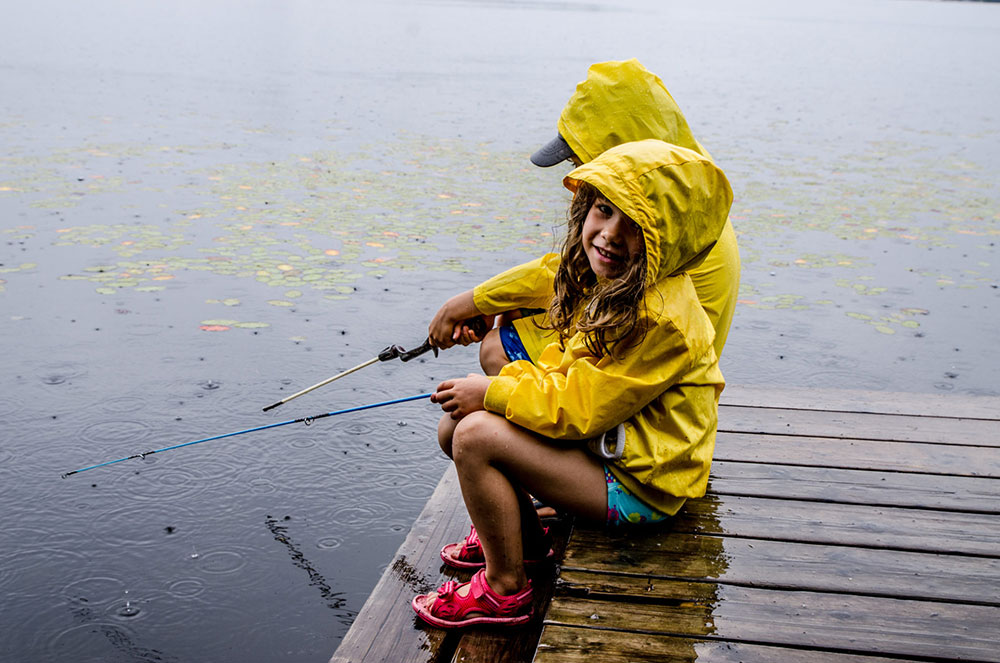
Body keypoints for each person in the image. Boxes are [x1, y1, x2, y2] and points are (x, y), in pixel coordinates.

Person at [411, 139, 732, 628]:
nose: (609, 234)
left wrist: (492, 391)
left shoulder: (660, 319)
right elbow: (569, 367)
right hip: (609, 450)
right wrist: (492, 389)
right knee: (454, 428)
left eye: (635, 225)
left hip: (642, 486)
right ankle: (523, 543)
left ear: (667, 240)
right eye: (604, 210)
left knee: (475, 436)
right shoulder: (621, 284)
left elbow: (579, 409)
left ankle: (504, 590)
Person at [429, 59, 740, 374]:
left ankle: (508, 418)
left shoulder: (655, 213)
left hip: (642, 362)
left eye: (580, 160)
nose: (577, 178)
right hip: (628, 320)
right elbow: (574, 275)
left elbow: (582, 281)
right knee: (515, 311)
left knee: (497, 347)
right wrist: (488, 302)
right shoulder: (681, 181)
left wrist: (466, 304)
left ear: (620, 151)